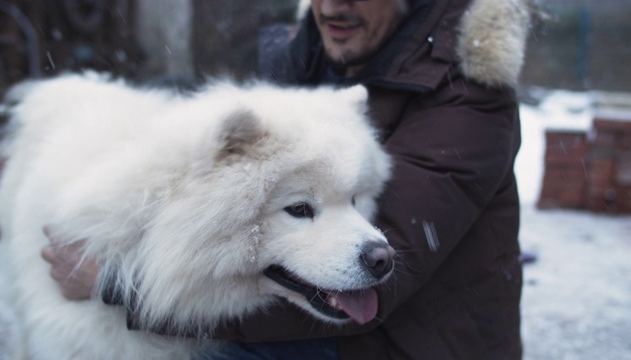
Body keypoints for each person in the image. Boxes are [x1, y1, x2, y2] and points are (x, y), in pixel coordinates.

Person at [42, 0, 536, 358]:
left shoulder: (467, 92)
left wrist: (118, 287)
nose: (334, 7)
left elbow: (393, 264)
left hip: (420, 343)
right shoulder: (313, 55)